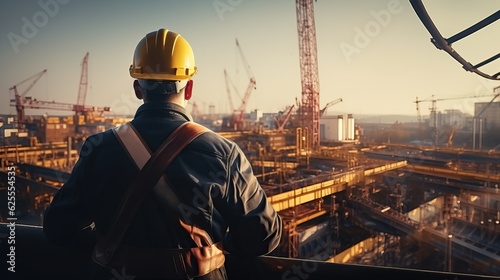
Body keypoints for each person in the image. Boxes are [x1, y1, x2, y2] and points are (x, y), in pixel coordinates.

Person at [43, 28, 282, 279]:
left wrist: (109, 248)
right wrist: (215, 249)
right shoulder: (224, 154)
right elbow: (264, 237)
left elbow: (58, 227)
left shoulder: (98, 148)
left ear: (138, 88)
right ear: (189, 89)